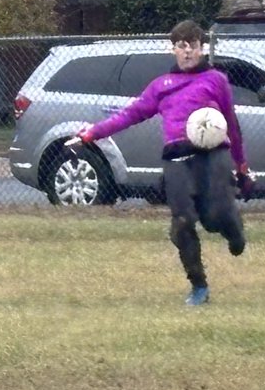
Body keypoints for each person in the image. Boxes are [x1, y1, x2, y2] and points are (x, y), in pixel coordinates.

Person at [72, 20, 253, 306]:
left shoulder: (215, 80)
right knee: (182, 223)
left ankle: (234, 232)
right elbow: (129, 115)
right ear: (173, 50)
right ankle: (198, 286)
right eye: (182, 46)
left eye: (193, 46)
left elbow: (231, 123)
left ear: (202, 48)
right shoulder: (161, 86)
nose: (188, 52)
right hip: (176, 159)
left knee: (214, 217)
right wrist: (93, 132)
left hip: (213, 153)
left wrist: (242, 166)